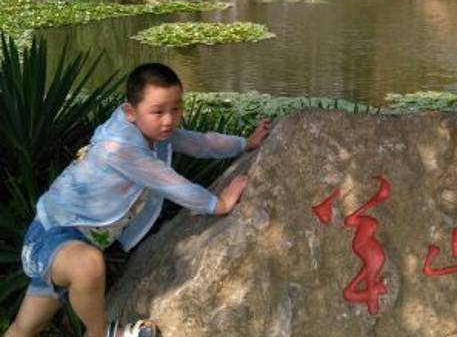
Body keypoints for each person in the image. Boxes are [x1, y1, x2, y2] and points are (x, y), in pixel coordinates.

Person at [5, 63, 270, 337]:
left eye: (176, 108)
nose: (169, 120)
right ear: (131, 111)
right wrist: (219, 204)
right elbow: (171, 183)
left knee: (26, 327)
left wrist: (244, 144)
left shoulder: (148, 130)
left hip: (75, 244)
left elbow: (199, 142)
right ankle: (102, 334)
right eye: (158, 111)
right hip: (53, 236)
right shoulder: (121, 148)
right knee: (88, 264)